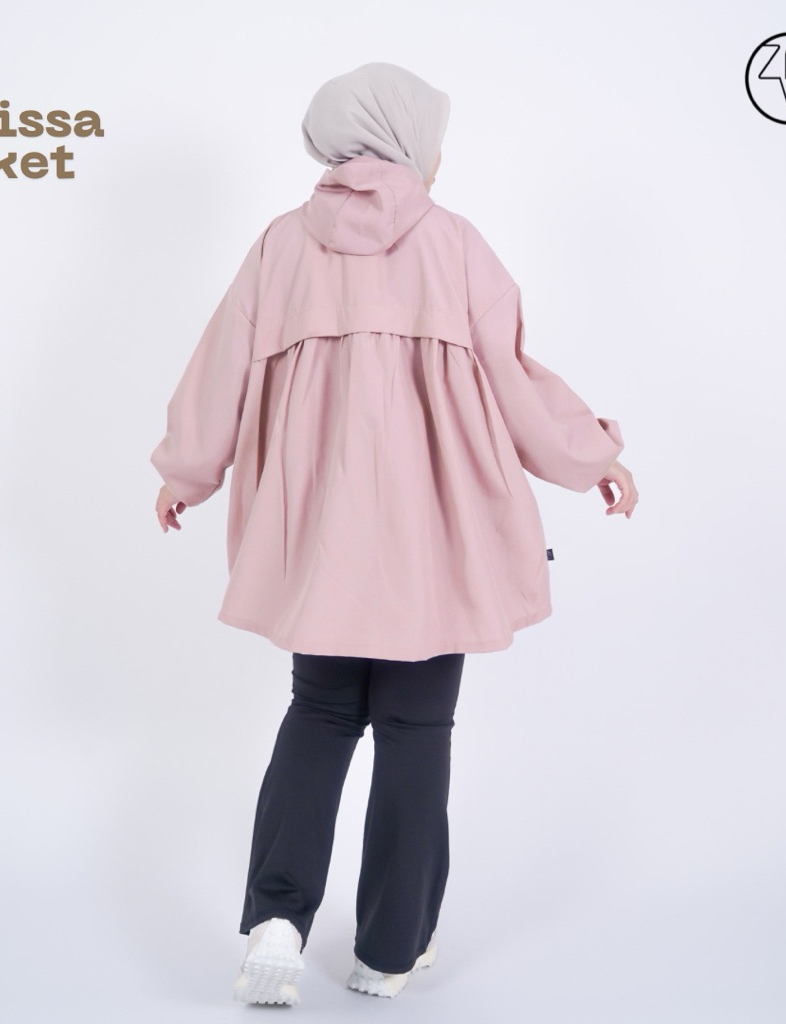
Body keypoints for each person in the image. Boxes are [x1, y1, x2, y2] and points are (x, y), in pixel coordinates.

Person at [150, 61, 639, 1007]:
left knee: (320, 714)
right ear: (408, 142)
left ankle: (277, 919)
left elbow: (219, 369)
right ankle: (388, 949)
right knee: (416, 731)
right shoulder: (455, 244)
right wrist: (593, 455)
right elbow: (515, 377)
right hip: (434, 540)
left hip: (321, 539)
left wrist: (187, 470)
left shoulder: (281, 246)